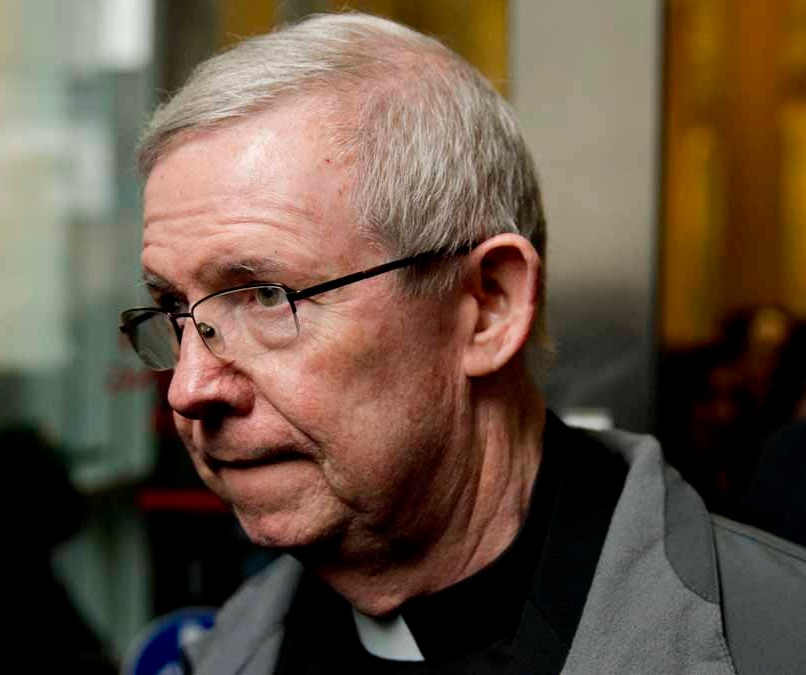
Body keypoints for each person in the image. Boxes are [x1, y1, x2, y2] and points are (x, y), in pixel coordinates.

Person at [117, 12, 806, 674]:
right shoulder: (221, 655)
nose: (190, 387)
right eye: (176, 308)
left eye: (267, 294)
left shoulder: (778, 638)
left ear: (488, 307)